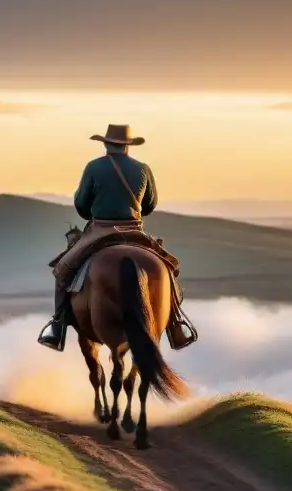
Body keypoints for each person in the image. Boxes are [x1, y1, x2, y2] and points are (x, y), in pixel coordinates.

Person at [38, 124, 193, 351]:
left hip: (100, 229)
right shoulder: (143, 169)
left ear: (105, 144)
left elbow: (81, 205)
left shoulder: (93, 167)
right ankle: (176, 326)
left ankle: (57, 326)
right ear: (128, 146)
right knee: (168, 269)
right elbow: (150, 204)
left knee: (63, 270)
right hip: (135, 229)